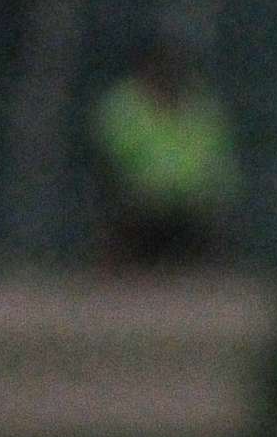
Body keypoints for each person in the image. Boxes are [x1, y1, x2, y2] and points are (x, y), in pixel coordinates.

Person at [92, 34, 242, 266]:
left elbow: (215, 160)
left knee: (210, 220)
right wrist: (151, 187)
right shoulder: (125, 105)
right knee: (128, 212)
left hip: (191, 205)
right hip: (140, 202)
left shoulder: (200, 107)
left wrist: (200, 191)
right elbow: (112, 157)